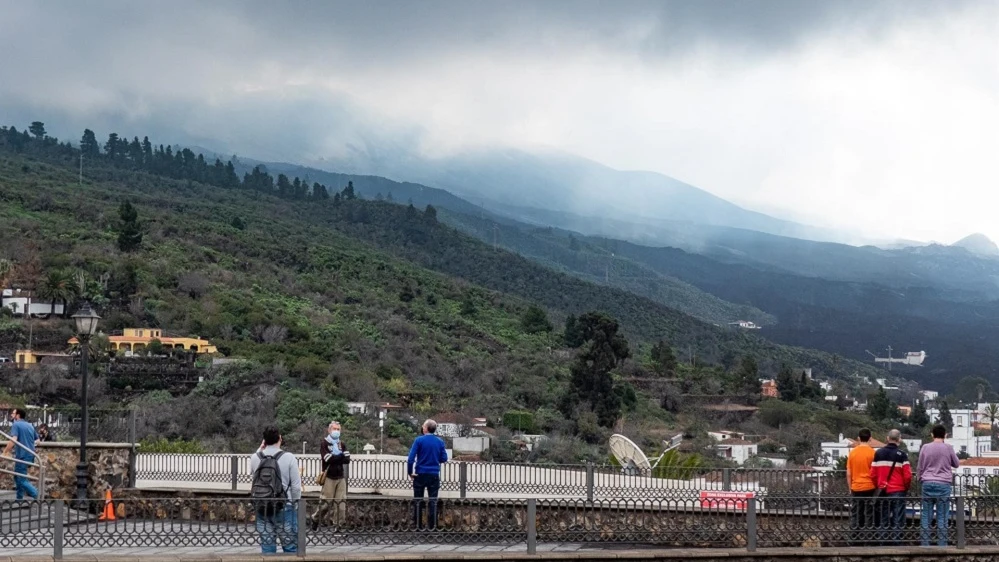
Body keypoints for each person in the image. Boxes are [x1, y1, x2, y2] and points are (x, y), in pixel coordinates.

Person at [249, 426, 302, 554]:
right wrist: (295, 503)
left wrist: (260, 448)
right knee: (290, 548)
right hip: (284, 505)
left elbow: (253, 475)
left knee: (267, 548)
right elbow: (295, 486)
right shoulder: (289, 457)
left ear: (264, 441)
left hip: (262, 506)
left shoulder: (255, 457)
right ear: (280, 438)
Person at [918, 424, 960, 546]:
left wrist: (921, 478)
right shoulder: (948, 448)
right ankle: (942, 544)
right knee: (942, 516)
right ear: (945, 435)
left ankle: (925, 544)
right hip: (943, 484)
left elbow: (920, 466)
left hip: (927, 483)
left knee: (926, 515)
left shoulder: (925, 447)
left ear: (932, 435)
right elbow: (956, 464)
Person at [407, 419, 449, 530]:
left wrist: (410, 472)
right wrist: (434, 459)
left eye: (423, 426)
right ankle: (432, 526)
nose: (422, 427)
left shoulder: (419, 440)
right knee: (433, 501)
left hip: (420, 474)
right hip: (434, 474)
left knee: (418, 501)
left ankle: (418, 526)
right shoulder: (439, 442)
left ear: (425, 428)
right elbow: (444, 458)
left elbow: (411, 459)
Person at [871, 429, 911, 545]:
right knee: (898, 519)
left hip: (882, 490)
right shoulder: (902, 455)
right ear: (899, 439)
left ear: (887, 438)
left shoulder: (878, 453)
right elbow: (907, 476)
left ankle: (882, 543)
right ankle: (897, 543)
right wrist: (905, 488)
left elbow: (872, 474)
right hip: (898, 490)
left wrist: (878, 486)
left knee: (883, 518)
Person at [315, 421, 350, 529]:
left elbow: (347, 459)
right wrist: (340, 456)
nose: (336, 431)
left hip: (340, 477)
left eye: (338, 429)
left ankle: (339, 525)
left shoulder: (342, 444)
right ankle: (315, 518)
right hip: (329, 477)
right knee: (326, 503)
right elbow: (327, 459)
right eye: (334, 429)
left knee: (341, 503)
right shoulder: (324, 443)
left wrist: (335, 457)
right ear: (329, 430)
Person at [846, 427, 877, 545]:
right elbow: (875, 472)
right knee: (869, 514)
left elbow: (849, 473)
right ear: (870, 438)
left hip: (856, 486)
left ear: (858, 438)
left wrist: (850, 487)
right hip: (869, 487)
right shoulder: (873, 453)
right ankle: (868, 540)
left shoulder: (853, 453)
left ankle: (854, 539)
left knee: (856, 514)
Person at [2, 408, 39, 501]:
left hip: (22, 455)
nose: (11, 415)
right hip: (29, 455)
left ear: (18, 415)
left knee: (21, 478)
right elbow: (37, 440)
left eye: (13, 413)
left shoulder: (16, 424)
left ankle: (37, 495)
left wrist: (5, 451)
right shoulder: (29, 425)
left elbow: (13, 440)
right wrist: (31, 446)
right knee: (18, 476)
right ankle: (19, 499)